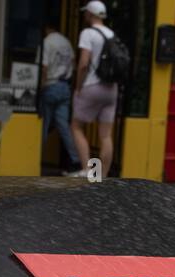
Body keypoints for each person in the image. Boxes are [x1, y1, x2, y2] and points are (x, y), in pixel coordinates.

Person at [70, 0, 117, 178]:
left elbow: (83, 64)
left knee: (76, 126)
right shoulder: (111, 34)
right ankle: (102, 176)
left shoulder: (88, 33)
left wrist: (78, 87)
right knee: (105, 135)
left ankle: (87, 170)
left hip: (92, 86)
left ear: (90, 14)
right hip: (111, 89)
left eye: (85, 13)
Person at [39, 19, 78, 175]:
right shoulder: (66, 43)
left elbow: (44, 67)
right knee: (63, 126)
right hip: (65, 87)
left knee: (44, 124)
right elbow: (74, 63)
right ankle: (75, 159)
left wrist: (41, 86)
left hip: (50, 85)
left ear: (47, 28)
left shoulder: (46, 42)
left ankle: (36, 157)